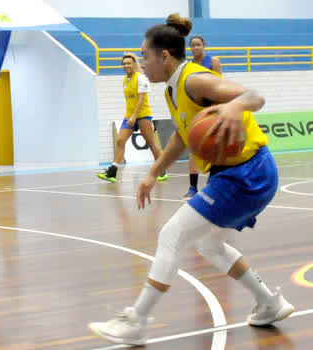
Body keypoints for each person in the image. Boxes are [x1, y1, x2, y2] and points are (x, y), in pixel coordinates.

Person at [88, 14, 294, 346]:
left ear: (164, 56)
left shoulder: (194, 80)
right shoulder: (171, 91)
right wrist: (153, 172)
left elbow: (254, 96)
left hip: (248, 173)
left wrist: (233, 107)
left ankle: (136, 321)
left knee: (171, 234)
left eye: (145, 56)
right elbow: (182, 138)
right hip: (236, 174)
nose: (142, 64)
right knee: (209, 244)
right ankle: (270, 303)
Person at [97, 52, 167, 183]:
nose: (126, 65)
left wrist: (135, 116)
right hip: (129, 116)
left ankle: (162, 170)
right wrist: (130, 116)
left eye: (129, 63)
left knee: (151, 142)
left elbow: (142, 99)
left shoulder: (140, 78)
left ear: (135, 64)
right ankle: (112, 172)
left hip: (142, 115)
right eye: (124, 64)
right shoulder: (125, 80)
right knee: (120, 141)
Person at [185, 35, 222, 199]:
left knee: (214, 147)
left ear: (204, 45)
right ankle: (192, 187)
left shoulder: (213, 61)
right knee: (194, 149)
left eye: (198, 45)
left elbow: (220, 85)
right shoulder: (189, 65)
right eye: (192, 45)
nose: (195, 48)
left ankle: (215, 184)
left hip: (212, 109)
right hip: (195, 110)